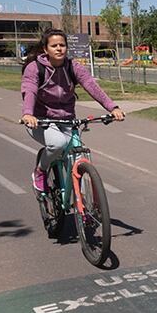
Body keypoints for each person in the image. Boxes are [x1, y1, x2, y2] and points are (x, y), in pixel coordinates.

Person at [21, 29, 125, 192]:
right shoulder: (35, 68)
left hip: (67, 120)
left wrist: (113, 107)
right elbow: (30, 90)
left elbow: (91, 86)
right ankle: (40, 171)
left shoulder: (73, 67)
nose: (59, 48)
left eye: (62, 45)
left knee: (77, 158)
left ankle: (82, 202)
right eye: (54, 45)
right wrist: (28, 113)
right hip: (40, 120)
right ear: (45, 49)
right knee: (58, 144)